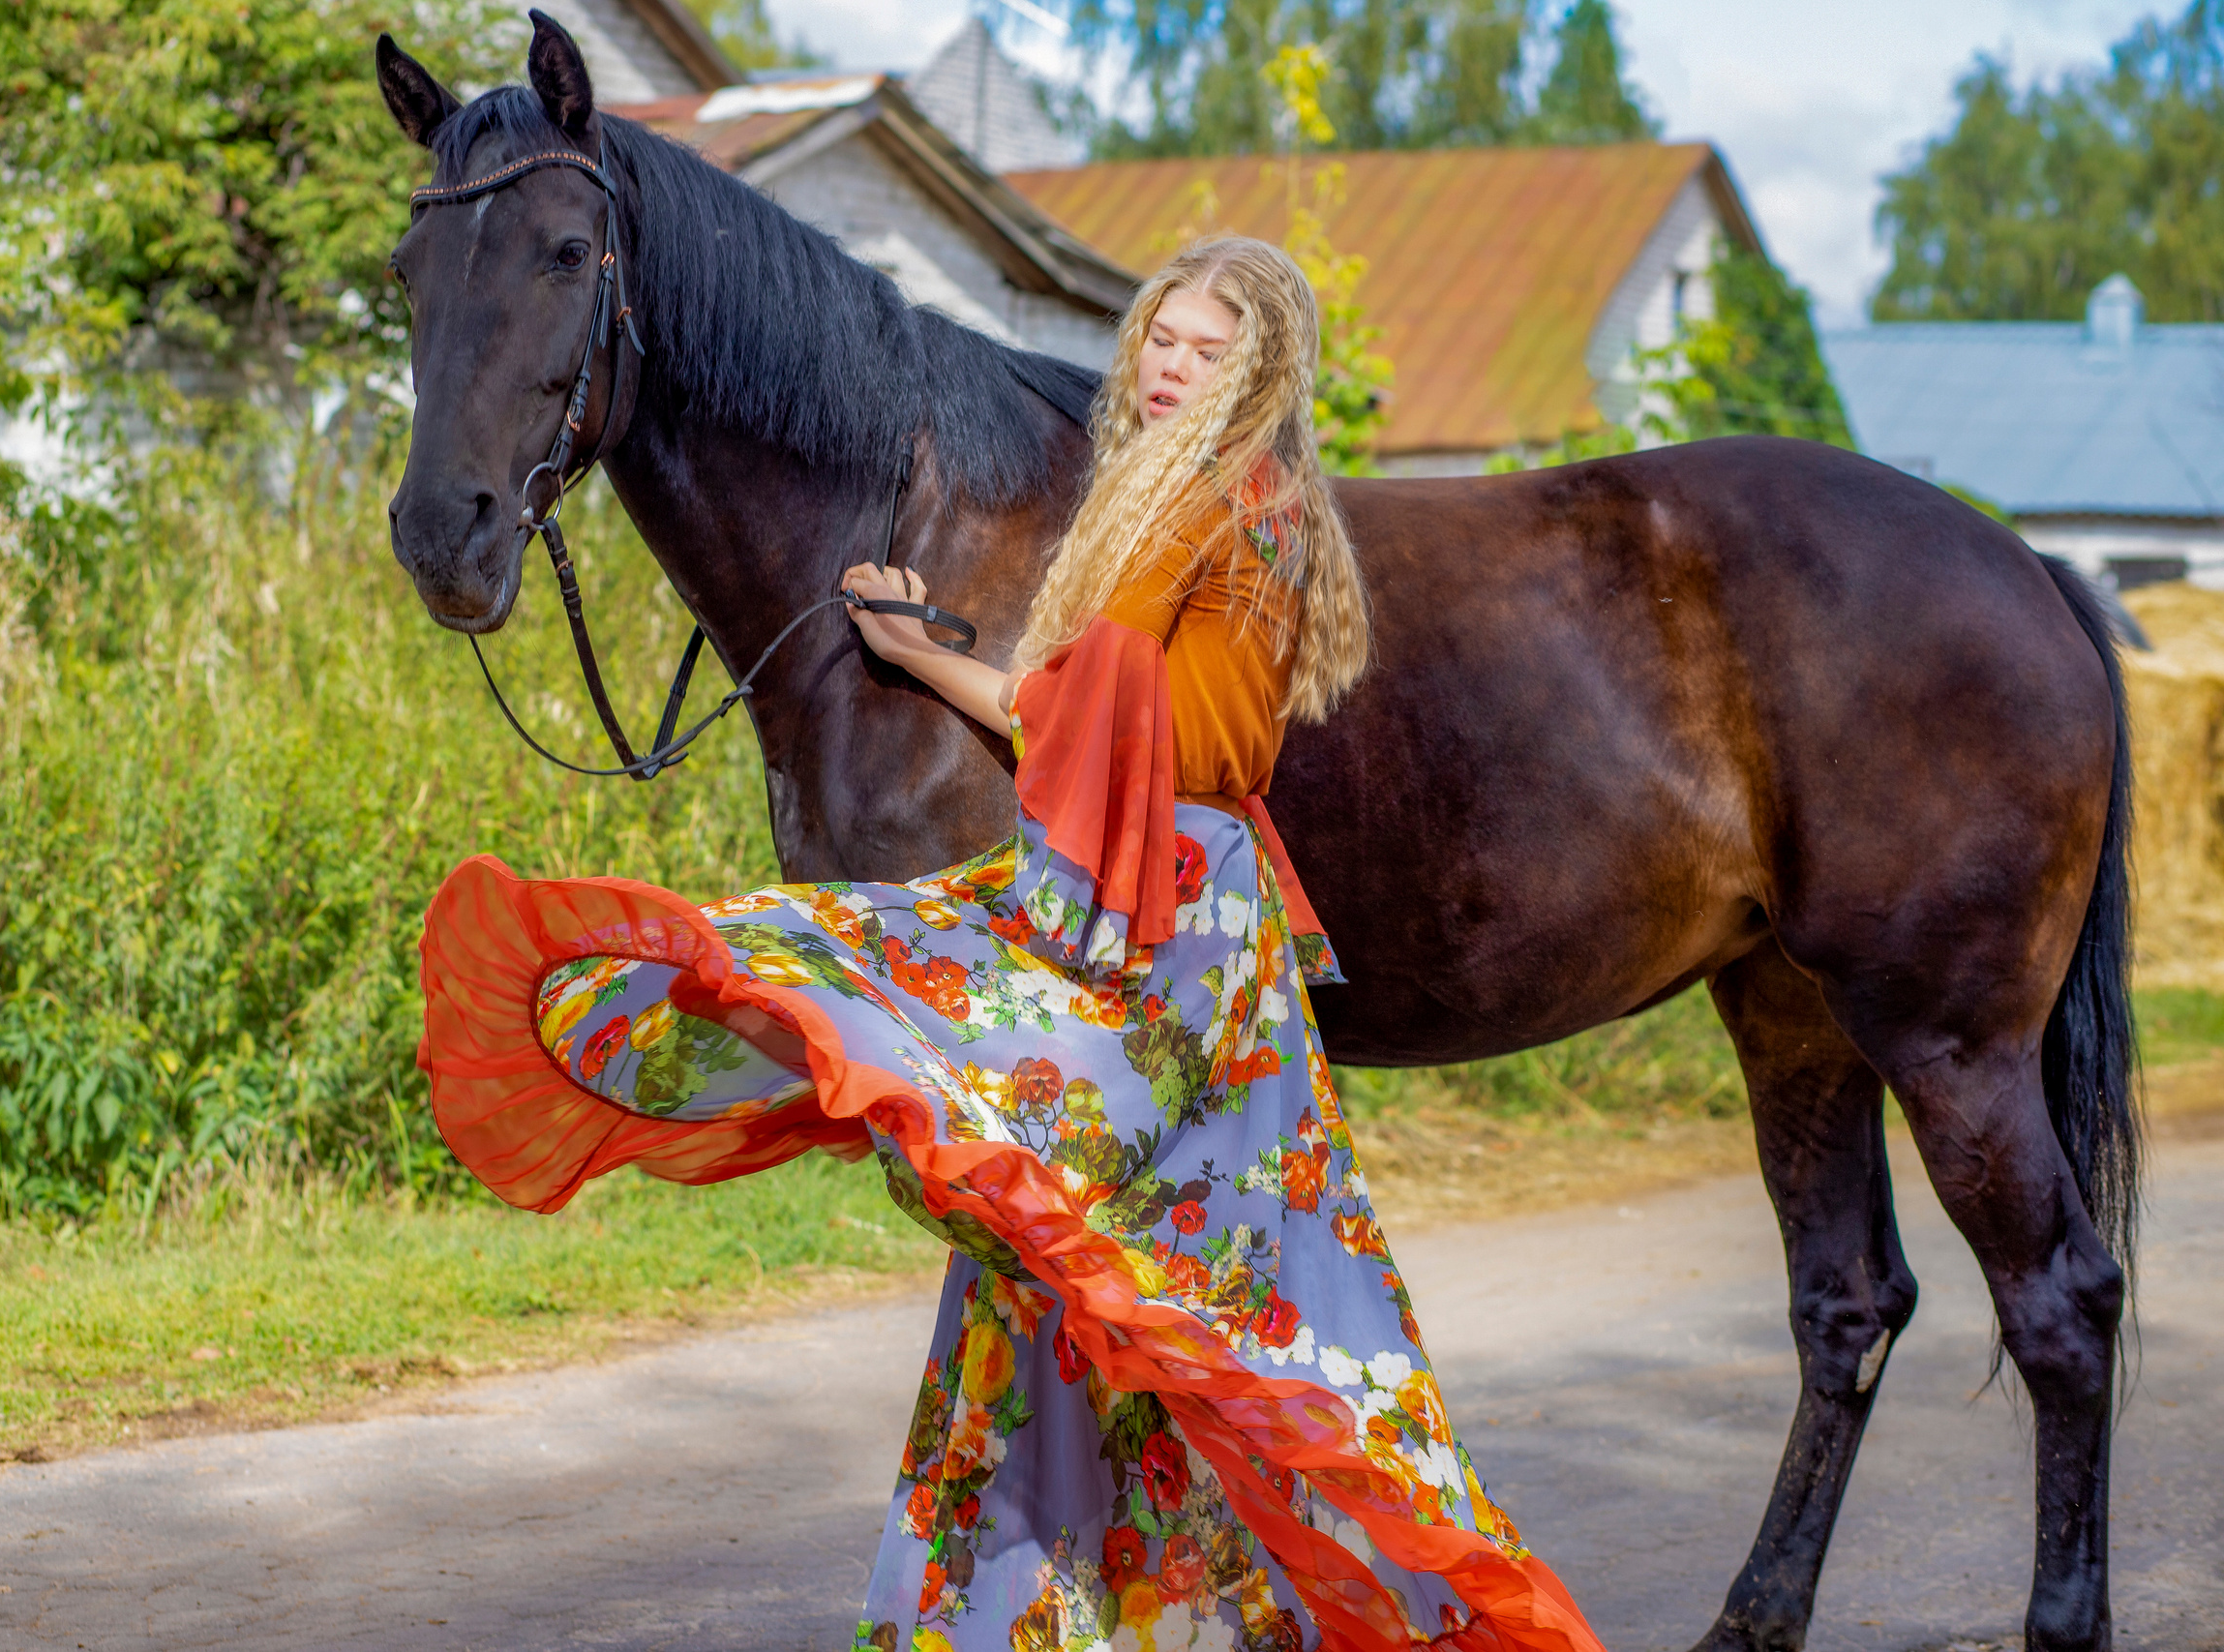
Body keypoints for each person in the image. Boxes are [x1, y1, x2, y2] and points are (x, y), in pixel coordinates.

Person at [417, 236, 1602, 1652]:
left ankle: (1249, 1606)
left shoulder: (1231, 509)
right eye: (1160, 337)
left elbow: (1169, 738)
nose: (1167, 366)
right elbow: (1089, 714)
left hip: (1172, 916)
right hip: (1133, 894)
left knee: (1137, 1256)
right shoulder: (1186, 503)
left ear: (1258, 372)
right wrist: (924, 660)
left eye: (1204, 350)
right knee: (1082, 1270)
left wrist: (988, 683)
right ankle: (1044, 1616)